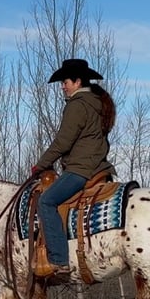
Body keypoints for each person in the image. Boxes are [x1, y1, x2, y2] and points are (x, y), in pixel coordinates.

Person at [31, 58, 117, 276]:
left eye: (65, 81)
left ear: (77, 82)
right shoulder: (97, 103)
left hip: (81, 169)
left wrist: (40, 165)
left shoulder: (78, 105)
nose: (62, 86)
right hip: (99, 167)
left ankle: (59, 260)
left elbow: (63, 141)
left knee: (47, 201)